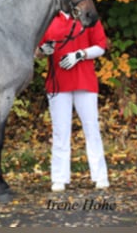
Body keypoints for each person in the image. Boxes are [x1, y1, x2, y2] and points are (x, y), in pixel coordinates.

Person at [35, 10, 110, 192]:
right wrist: (43, 51)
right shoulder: (49, 20)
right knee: (60, 132)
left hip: (85, 81)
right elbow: (36, 52)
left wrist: (79, 55)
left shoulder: (88, 16)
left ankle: (100, 176)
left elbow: (101, 46)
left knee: (91, 128)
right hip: (57, 83)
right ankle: (59, 178)